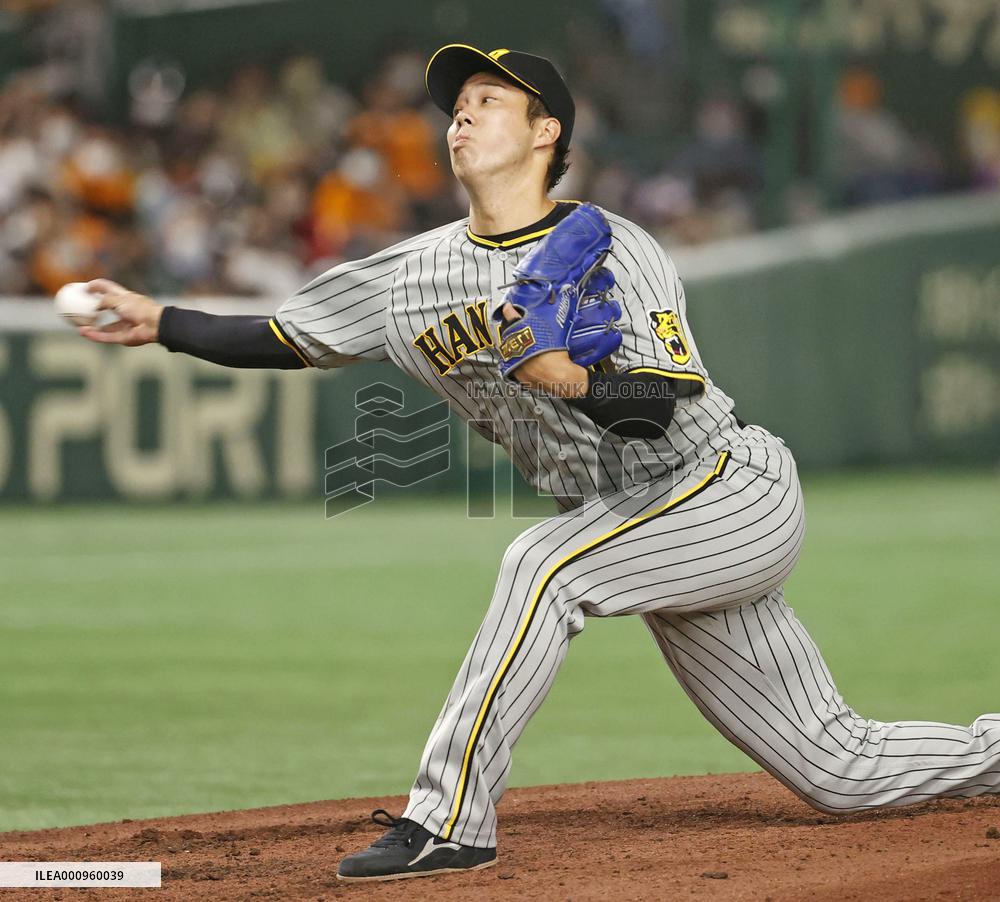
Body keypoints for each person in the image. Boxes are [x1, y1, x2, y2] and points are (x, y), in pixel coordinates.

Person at [78, 44, 1000, 884]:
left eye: (488, 100)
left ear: (545, 131)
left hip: (721, 486)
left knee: (541, 564)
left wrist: (569, 379)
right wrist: (160, 321)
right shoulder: (411, 274)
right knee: (838, 767)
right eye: (455, 107)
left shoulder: (611, 245)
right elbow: (282, 334)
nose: (461, 117)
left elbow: (658, 406)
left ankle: (449, 821)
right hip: (634, 524)